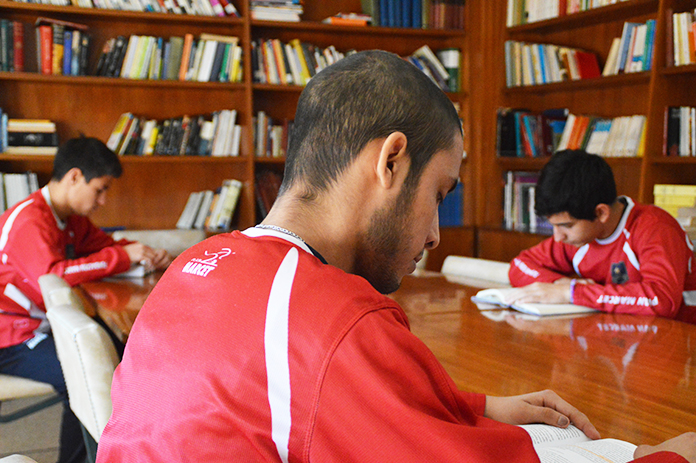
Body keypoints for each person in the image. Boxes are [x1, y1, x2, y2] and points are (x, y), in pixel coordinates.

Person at [97, 52, 695, 462]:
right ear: (390, 161)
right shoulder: (333, 317)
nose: (436, 235)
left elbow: (290, 397)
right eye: (438, 195)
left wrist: (477, 405)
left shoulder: (197, 264)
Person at [0, 136, 172, 463]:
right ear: (75, 177)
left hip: (39, 326)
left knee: (121, 356)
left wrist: (142, 253)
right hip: (11, 336)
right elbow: (52, 279)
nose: (104, 200)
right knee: (87, 376)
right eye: (100, 189)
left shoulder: (72, 218)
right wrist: (120, 256)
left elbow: (106, 246)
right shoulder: (29, 220)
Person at [508, 149, 696, 324]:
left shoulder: (655, 228)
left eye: (566, 226)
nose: (557, 238)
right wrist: (559, 283)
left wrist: (572, 293)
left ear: (601, 213)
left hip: (678, 336)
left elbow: (662, 301)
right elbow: (519, 265)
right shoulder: (579, 235)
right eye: (554, 226)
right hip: (617, 331)